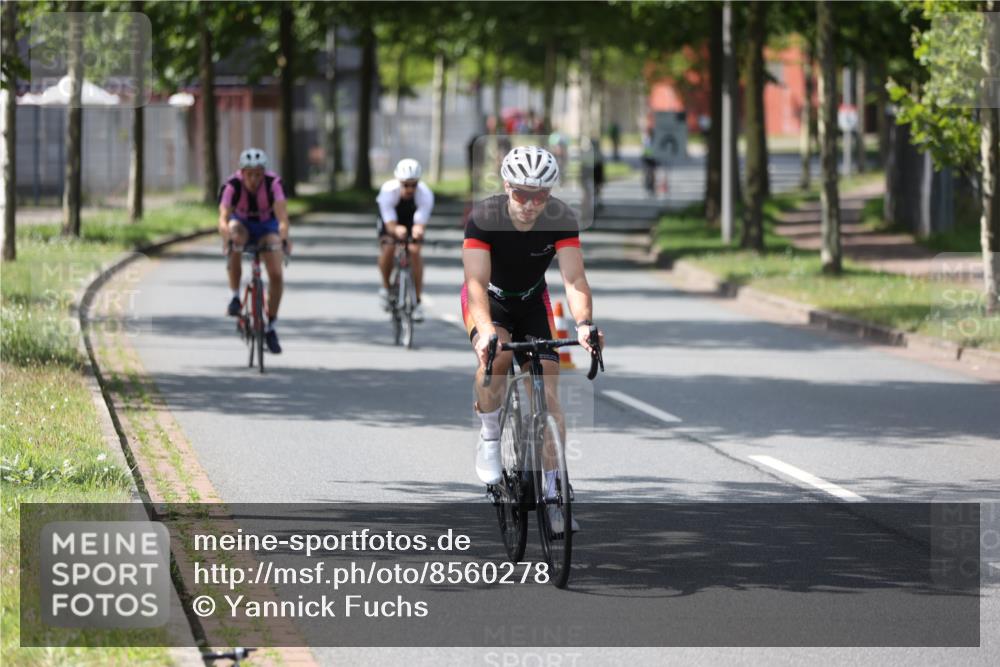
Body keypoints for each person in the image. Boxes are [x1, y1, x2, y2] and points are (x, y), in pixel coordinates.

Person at [461, 145, 604, 534]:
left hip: (532, 301)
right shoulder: (484, 216)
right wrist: (487, 328)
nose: (529, 203)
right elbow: (474, 282)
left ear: (551, 194)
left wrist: (585, 324)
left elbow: (574, 279)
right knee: (498, 360)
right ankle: (490, 437)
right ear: (507, 186)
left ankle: (556, 491)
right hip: (488, 301)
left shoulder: (560, 217)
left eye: (539, 195)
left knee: (549, 395)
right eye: (521, 193)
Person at [219, 147, 291, 354]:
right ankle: (235, 296)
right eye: (249, 174)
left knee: (276, 274)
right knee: (235, 236)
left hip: (266, 227)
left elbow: (282, 218)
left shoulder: (273, 183)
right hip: (241, 225)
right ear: (242, 172)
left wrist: (284, 239)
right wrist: (227, 238)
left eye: (258, 174)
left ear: (264, 173)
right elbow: (223, 218)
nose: (253, 179)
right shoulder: (232, 185)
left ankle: (271, 326)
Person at [377, 159, 434, 321]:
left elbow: (420, 222)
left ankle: (417, 301)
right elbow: (389, 225)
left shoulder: (425, 194)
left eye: (413, 185)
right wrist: (395, 230)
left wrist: (418, 230)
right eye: (405, 184)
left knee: (415, 251)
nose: (409, 189)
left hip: (410, 218)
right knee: (388, 247)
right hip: (390, 220)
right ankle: (386, 288)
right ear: (398, 181)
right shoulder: (388, 191)